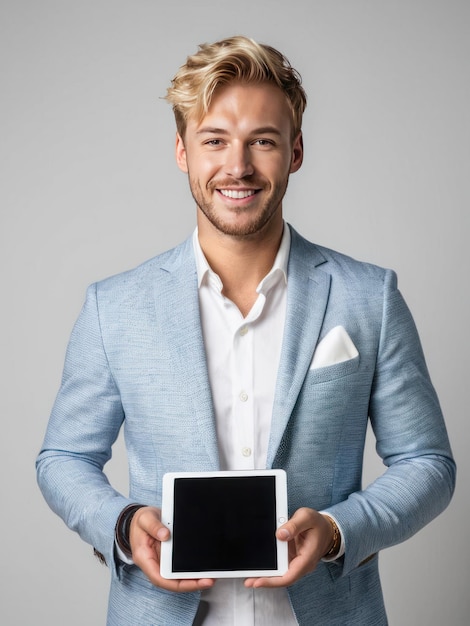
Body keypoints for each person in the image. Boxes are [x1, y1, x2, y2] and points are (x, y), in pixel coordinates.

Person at [36, 36, 456, 625]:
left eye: (263, 140)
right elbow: (63, 458)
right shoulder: (115, 307)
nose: (238, 166)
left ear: (296, 150)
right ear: (182, 151)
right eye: (214, 141)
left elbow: (427, 463)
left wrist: (339, 530)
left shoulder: (370, 297)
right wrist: (126, 525)